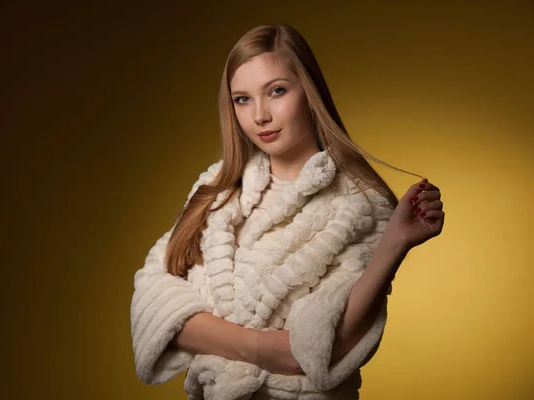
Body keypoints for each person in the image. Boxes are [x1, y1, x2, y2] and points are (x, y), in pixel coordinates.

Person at [130, 24, 444, 399]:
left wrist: (394, 245)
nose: (260, 115)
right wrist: (260, 348)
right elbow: (151, 295)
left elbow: (323, 343)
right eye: (242, 99)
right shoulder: (215, 191)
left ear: (308, 93)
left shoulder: (359, 205)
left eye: (276, 91)